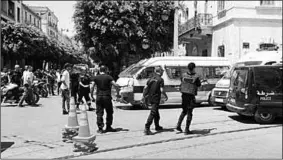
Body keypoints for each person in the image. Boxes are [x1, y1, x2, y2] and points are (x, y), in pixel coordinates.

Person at [91, 65, 120, 134]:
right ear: (106, 70)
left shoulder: (96, 77)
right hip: (107, 97)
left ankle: (100, 128)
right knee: (109, 112)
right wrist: (117, 94)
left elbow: (92, 87)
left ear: (99, 70)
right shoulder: (109, 77)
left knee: (99, 113)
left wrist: (91, 95)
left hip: (99, 97)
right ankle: (108, 127)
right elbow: (115, 85)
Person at [176, 62, 201, 135]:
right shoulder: (196, 77)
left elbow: (182, 82)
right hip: (191, 96)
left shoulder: (183, 75)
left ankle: (178, 125)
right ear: (193, 68)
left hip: (184, 95)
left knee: (184, 111)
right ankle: (187, 129)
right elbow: (199, 85)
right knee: (190, 113)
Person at [142, 67, 168, 135]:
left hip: (150, 98)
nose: (163, 72)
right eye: (162, 71)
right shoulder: (160, 79)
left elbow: (145, 88)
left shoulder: (150, 79)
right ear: (159, 71)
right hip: (156, 98)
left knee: (156, 112)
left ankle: (157, 126)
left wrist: (143, 96)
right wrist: (165, 95)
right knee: (153, 112)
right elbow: (162, 90)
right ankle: (147, 128)